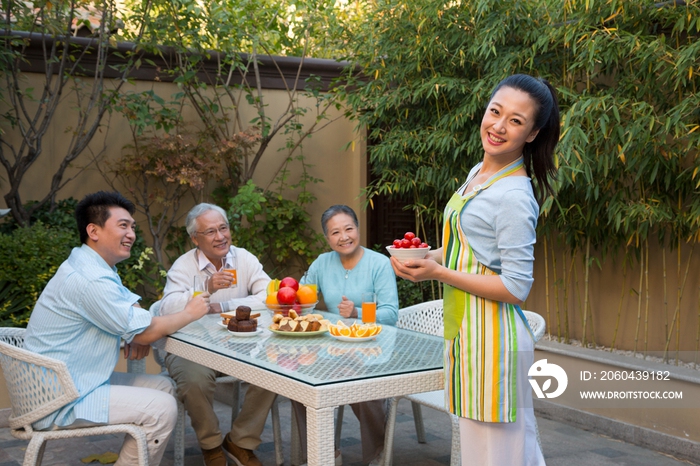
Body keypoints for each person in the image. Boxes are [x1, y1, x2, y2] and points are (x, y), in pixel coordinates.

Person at [392, 74, 558, 466]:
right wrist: (427, 256)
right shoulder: (476, 175)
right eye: (495, 111)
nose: (498, 126)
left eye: (516, 121)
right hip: (467, 333)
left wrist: (438, 274)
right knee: (482, 454)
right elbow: (462, 253)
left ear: (532, 133)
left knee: (500, 457)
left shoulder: (515, 196)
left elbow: (516, 287)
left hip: (495, 341)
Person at [24, 191, 210, 466]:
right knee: (161, 409)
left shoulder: (93, 265)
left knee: (164, 388)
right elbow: (145, 329)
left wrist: (139, 330)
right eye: (123, 225)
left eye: (132, 227)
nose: (132, 234)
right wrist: (188, 313)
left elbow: (135, 315)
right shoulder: (89, 278)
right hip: (59, 397)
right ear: (93, 231)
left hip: (72, 382)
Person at [158, 203, 276, 466]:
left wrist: (223, 306)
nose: (220, 236)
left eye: (223, 228)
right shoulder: (184, 265)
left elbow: (269, 296)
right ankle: (210, 444)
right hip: (192, 347)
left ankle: (240, 441)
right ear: (195, 239)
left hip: (240, 344)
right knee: (193, 380)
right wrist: (204, 288)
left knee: (275, 371)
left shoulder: (243, 258)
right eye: (210, 232)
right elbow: (167, 308)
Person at [292, 204, 399, 466]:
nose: (344, 237)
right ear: (327, 238)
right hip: (333, 348)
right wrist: (291, 301)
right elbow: (302, 297)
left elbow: (390, 313)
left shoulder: (379, 263)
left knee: (363, 388)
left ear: (358, 229)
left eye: (349, 228)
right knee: (298, 384)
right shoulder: (322, 262)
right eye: (335, 232)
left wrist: (357, 313)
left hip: (373, 347)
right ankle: (326, 453)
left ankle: (377, 454)